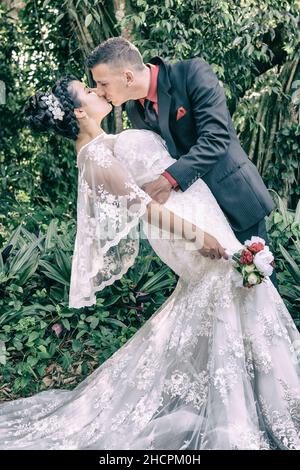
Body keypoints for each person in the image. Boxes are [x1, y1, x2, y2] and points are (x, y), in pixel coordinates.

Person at [0, 76, 299, 450]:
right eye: (89, 91)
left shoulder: (100, 145)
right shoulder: (93, 155)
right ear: (79, 111)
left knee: (233, 297)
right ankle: (248, 411)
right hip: (186, 230)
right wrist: (198, 235)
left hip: (197, 218)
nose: (97, 92)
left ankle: (266, 399)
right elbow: (143, 207)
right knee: (231, 290)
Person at [86, 37, 277, 287]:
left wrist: (167, 180)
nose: (100, 91)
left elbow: (216, 138)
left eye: (103, 83)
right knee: (218, 295)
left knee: (258, 289)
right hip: (197, 217)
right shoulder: (134, 110)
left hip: (233, 199)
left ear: (128, 77)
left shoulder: (191, 73)